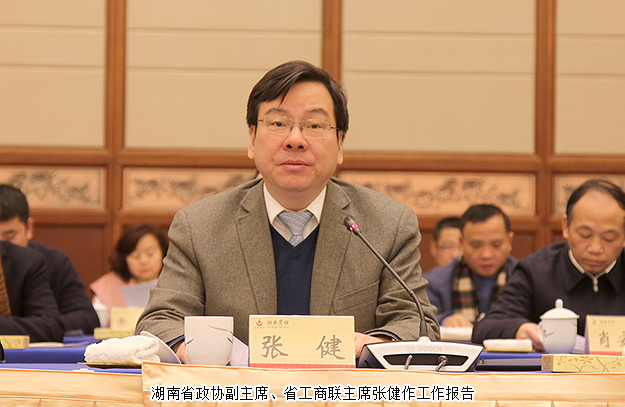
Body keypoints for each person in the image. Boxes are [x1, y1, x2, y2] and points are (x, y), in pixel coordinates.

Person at [136, 60, 439, 363]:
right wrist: (198, 353)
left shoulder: (387, 223)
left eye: (315, 125)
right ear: (252, 139)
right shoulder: (199, 226)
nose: (295, 140)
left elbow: (415, 321)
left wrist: (372, 347)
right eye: (278, 124)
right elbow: (160, 320)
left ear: (340, 144)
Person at [472, 179, 625, 351]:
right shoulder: (536, 271)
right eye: (585, 234)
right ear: (566, 227)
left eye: (609, 238)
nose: (595, 248)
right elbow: (485, 328)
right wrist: (519, 328)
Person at [0, 184, 99, 335]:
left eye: (9, 236)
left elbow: (87, 318)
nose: (2, 244)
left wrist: (40, 325)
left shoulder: (51, 261)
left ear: (29, 228)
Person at [425, 204, 516, 327]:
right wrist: (444, 320)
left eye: (496, 245)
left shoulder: (526, 278)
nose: (486, 255)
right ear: (461, 242)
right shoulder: (433, 282)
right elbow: (420, 316)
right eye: (476, 245)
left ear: (509, 241)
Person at [90, 223, 167, 327]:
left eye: (150, 254)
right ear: (124, 258)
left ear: (164, 252)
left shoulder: (175, 282)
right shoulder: (109, 285)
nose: (144, 261)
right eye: (135, 256)